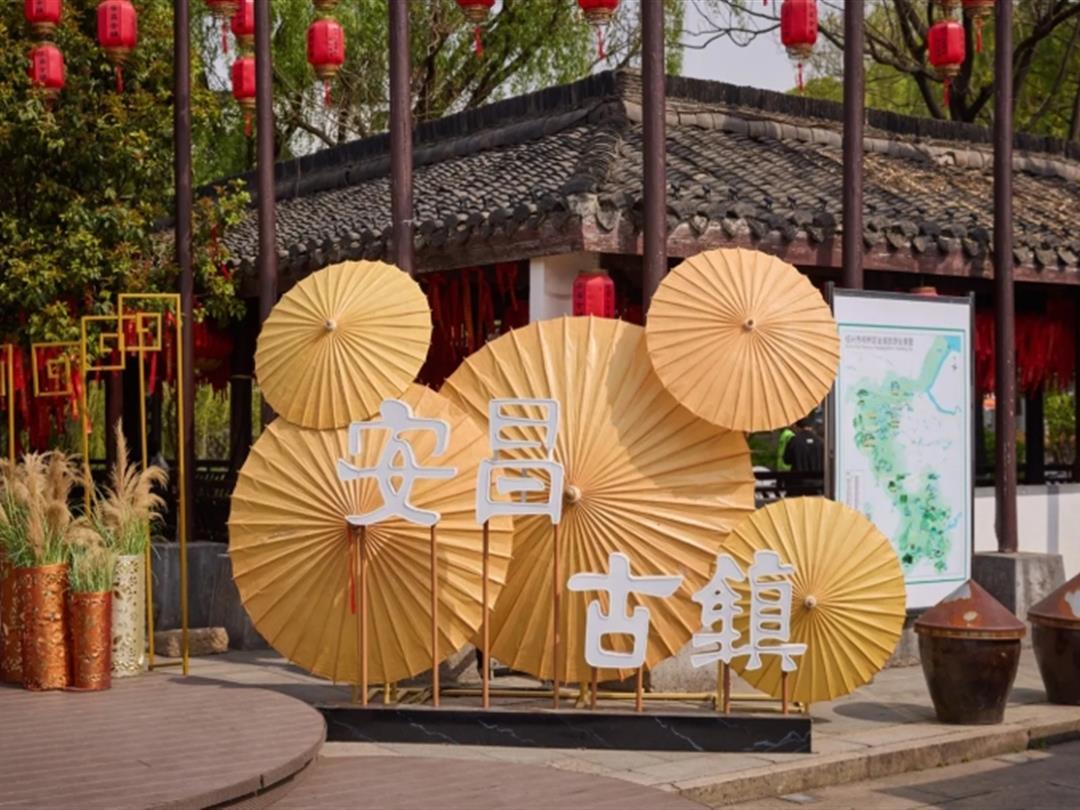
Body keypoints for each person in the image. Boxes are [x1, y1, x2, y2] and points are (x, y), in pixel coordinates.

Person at [783, 418, 823, 495]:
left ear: (798, 427)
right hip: (817, 485)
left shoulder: (794, 441)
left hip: (797, 484)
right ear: (811, 427)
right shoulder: (820, 442)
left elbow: (786, 460)